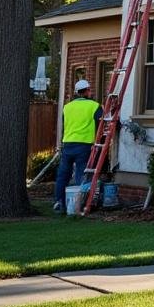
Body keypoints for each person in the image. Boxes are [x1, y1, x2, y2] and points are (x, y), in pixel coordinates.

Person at [54, 79, 102, 213]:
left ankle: (59, 203)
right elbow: (101, 125)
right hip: (84, 145)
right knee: (82, 176)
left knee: (63, 175)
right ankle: (78, 205)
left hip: (68, 144)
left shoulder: (67, 107)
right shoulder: (94, 106)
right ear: (87, 91)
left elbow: (65, 125)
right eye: (89, 90)